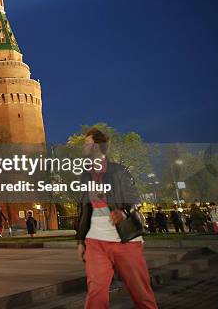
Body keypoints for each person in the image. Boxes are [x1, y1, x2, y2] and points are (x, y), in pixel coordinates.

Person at [76, 127, 157, 309]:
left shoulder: (118, 171)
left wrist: (123, 212)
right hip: (95, 241)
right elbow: (85, 209)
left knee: (141, 292)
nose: (84, 147)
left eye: (87, 144)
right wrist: (81, 240)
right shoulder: (85, 175)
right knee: (96, 292)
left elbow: (135, 198)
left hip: (125, 239)